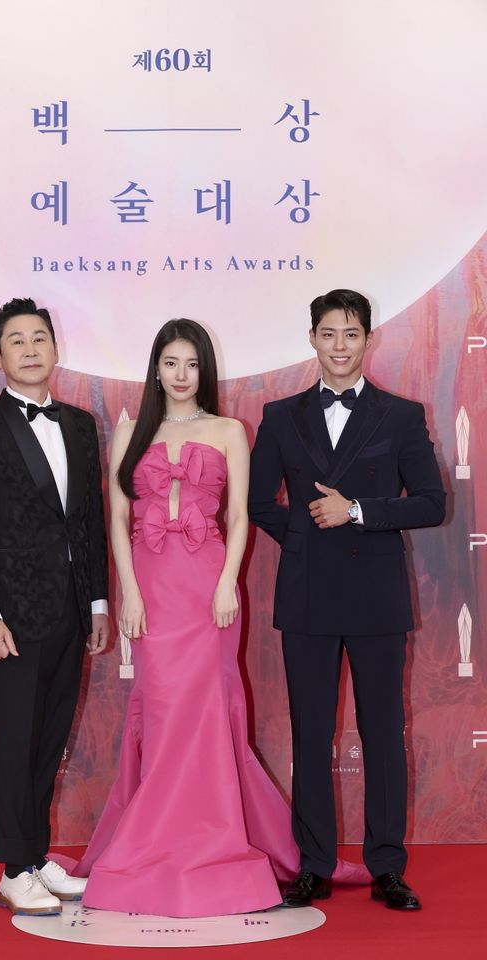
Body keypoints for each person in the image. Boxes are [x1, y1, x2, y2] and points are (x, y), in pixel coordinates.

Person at [74, 318, 368, 918]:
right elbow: (118, 521)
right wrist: (129, 593)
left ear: (204, 369)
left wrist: (228, 581)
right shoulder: (129, 431)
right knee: (162, 708)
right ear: (156, 369)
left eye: (192, 364)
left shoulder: (231, 430)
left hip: (209, 588)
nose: (182, 375)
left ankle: (213, 836)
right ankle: (155, 837)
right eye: (171, 363)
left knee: (208, 708)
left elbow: (238, 517)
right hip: (152, 589)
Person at [248, 289, 445, 911]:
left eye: (351, 333)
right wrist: (308, 532)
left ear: (368, 340)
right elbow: (257, 503)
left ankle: (387, 866)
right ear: (311, 338)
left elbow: (431, 503)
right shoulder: (280, 415)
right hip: (307, 593)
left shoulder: (401, 415)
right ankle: (314, 864)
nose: (340, 345)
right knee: (310, 734)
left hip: (376, 596)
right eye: (329, 333)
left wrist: (355, 510)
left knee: (383, 732)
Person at [0, 297, 109, 915]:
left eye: (40, 338)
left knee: (49, 737)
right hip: (12, 616)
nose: (31, 349)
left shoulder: (80, 425)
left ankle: (37, 856)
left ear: (55, 348)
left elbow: (90, 522)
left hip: (70, 609)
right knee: (15, 739)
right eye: (17, 340)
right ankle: (13, 868)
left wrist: (97, 601)